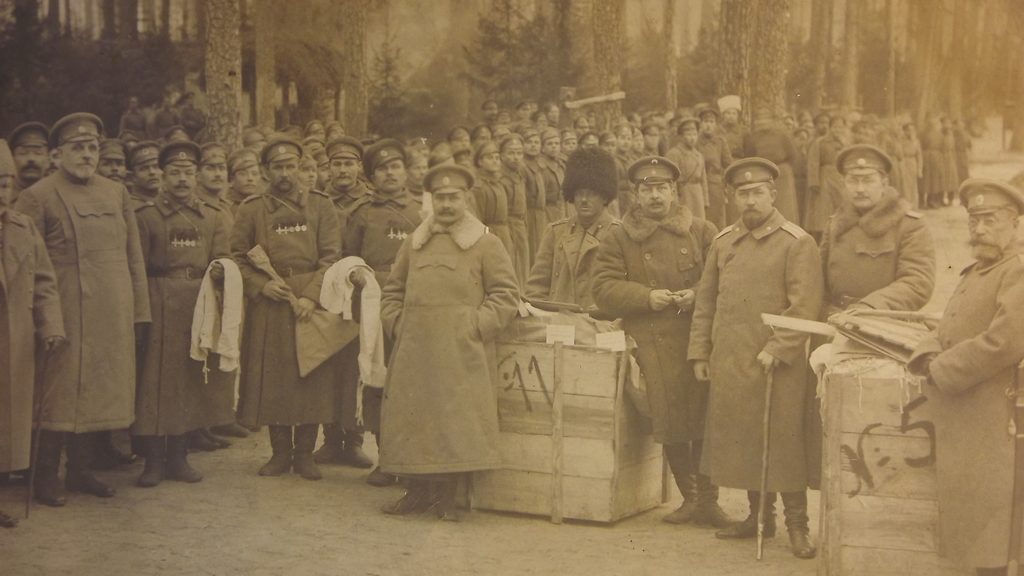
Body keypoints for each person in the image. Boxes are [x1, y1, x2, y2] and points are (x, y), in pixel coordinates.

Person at [688, 157, 823, 559]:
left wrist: (778, 348)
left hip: (776, 363)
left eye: (758, 192)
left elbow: (805, 306)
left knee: (783, 443)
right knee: (745, 439)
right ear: (733, 197)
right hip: (731, 360)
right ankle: (758, 517)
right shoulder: (723, 242)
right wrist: (700, 352)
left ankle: (798, 525)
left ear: (772, 195)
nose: (750, 200)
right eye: (743, 193)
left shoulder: (796, 242)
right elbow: (706, 303)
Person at [16, 113, 151, 506]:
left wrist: (139, 312)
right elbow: (25, 263)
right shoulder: (37, 196)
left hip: (112, 311)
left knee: (99, 391)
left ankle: (80, 470)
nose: (87, 154)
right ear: (58, 154)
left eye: (92, 147)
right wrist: (39, 320)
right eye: (78, 147)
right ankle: (45, 475)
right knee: (57, 396)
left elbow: (133, 257)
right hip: (64, 312)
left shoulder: (116, 192)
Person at [592, 155, 731, 528]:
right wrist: (644, 296)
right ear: (635, 194)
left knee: (704, 415)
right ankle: (692, 498)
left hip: (698, 336)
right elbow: (603, 287)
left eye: (661, 188)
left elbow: (723, 276)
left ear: (674, 191)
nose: (655, 196)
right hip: (651, 340)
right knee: (669, 418)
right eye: (646, 189)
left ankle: (709, 501)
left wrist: (696, 293)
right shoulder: (619, 236)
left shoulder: (701, 230)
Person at [378, 163, 520, 521]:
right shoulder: (415, 243)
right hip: (415, 351)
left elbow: (506, 295)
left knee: (455, 424)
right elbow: (392, 291)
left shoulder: (486, 243)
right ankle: (415, 493)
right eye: (439, 197)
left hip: (461, 353)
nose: (446, 204)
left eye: (453, 197)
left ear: (466, 198)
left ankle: (447, 498)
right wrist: (399, 325)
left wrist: (475, 326)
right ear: (431, 200)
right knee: (413, 421)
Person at [908, 179, 1024, 576]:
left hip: (993, 415)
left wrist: (942, 369)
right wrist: (927, 352)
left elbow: (1005, 342)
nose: (980, 230)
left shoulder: (1017, 271)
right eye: (974, 221)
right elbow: (948, 324)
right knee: (973, 524)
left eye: (990, 220)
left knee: (993, 530)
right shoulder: (978, 271)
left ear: (1014, 223)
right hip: (965, 414)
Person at [231, 137, 342, 481]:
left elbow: (331, 257)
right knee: (275, 377)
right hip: (271, 302)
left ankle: (305, 453)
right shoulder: (252, 209)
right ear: (266, 171)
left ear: (300, 167)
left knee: (311, 376)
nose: (284, 174)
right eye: (277, 167)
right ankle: (280, 453)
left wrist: (311, 295)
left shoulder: (321, 205)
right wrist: (260, 285)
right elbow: (237, 257)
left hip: (310, 301)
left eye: (290, 166)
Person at [132, 141, 235, 487]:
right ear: (162, 176)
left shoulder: (212, 216)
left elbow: (223, 257)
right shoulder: (146, 216)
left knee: (190, 381)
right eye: (175, 172)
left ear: (196, 176)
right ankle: (153, 461)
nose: (182, 179)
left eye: (188, 173)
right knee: (154, 384)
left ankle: (179, 457)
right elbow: (137, 268)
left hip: (197, 304)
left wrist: (220, 270)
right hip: (158, 303)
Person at [345, 138, 424, 487]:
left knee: (412, 381)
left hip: (416, 304)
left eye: (395, 166)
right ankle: (385, 458)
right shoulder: (362, 214)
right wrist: (357, 276)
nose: (389, 174)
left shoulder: (422, 212)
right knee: (378, 379)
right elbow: (347, 259)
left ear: (405, 171)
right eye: (381, 169)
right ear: (372, 177)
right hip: (375, 305)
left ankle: (412, 461)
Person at [0, 139, 66, 527]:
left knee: (7, 421)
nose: (2, 190)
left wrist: (51, 325)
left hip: (15, 340)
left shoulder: (22, 227)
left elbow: (44, 282)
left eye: (5, 182)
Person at [312, 136, 375, 470]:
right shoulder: (317, 202)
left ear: (359, 167)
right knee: (328, 366)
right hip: (327, 291)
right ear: (327, 168)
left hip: (362, 291)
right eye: (336, 164)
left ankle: (354, 441)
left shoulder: (371, 202)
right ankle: (330, 439)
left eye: (349, 163)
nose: (342, 170)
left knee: (356, 366)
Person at [821, 144, 935, 315]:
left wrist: (871, 306)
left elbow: (917, 283)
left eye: (868, 180)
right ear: (844, 184)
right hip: (834, 318)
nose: (860, 189)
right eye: (853, 180)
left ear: (884, 184)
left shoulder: (910, 225)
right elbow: (818, 279)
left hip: (882, 320)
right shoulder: (835, 223)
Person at [527, 147, 619, 309]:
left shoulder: (619, 233)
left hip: (600, 320)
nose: (584, 200)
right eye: (578, 194)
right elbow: (537, 287)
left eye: (591, 194)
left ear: (604, 197)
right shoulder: (556, 232)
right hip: (558, 319)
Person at [744, 108, 801, 225]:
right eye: (759, 119)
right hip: (762, 174)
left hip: (782, 174)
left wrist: (784, 169)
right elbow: (749, 156)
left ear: (771, 121)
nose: (762, 122)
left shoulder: (782, 135)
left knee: (785, 206)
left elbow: (793, 155)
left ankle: (786, 228)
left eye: (766, 119)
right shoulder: (753, 138)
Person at [804, 116, 850, 242]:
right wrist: (814, 182)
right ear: (830, 128)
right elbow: (813, 162)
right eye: (835, 126)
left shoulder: (845, 143)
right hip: (825, 178)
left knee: (841, 206)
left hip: (841, 178)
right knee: (824, 210)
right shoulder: (820, 142)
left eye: (840, 127)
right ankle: (823, 237)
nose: (838, 130)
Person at [497, 134, 532, 285]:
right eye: (511, 153)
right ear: (502, 155)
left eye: (519, 153)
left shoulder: (519, 173)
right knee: (511, 263)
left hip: (520, 224)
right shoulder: (500, 177)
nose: (516, 157)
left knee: (522, 264)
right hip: (507, 226)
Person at [695, 106, 734, 230]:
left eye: (711, 122)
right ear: (701, 124)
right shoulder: (695, 142)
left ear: (716, 125)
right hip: (700, 184)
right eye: (706, 121)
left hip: (716, 185)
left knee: (718, 219)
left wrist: (725, 184)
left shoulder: (720, 142)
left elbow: (728, 164)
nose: (708, 125)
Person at [472, 141, 514, 257]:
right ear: (480, 162)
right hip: (490, 234)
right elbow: (478, 221)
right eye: (490, 158)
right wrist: (486, 239)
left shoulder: (499, 183)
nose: (495, 161)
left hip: (504, 233)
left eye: (497, 158)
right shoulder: (479, 188)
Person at [665, 117, 709, 220]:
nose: (692, 138)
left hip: (698, 195)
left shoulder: (699, 155)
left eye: (695, 134)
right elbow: (672, 181)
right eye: (688, 135)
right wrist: (674, 201)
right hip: (684, 195)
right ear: (681, 136)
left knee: (699, 223)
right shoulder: (674, 154)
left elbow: (703, 180)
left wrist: (705, 200)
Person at [7, 122, 51, 204]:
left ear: (48, 161)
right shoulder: (3, 196)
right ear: (12, 159)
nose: (31, 159)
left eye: (38, 153)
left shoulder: (60, 196)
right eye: (23, 153)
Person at [224, 148, 262, 215]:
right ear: (232, 180)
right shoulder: (226, 209)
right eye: (243, 174)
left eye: (254, 174)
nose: (250, 178)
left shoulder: (263, 206)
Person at [128, 141, 164, 207]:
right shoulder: (130, 205)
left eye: (156, 166)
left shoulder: (173, 199)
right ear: (134, 176)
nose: (152, 172)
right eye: (144, 168)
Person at [900, 122, 924, 209]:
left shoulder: (916, 141)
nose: (910, 132)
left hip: (912, 162)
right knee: (904, 185)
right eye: (908, 130)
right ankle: (905, 205)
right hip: (903, 162)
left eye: (912, 130)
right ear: (905, 131)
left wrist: (919, 169)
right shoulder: (901, 140)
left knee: (913, 185)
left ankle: (913, 206)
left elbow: (919, 155)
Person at [717, 95, 747, 160]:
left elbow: (748, 152)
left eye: (734, 113)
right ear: (723, 115)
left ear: (737, 115)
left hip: (739, 162)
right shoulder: (717, 131)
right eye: (728, 113)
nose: (731, 116)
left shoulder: (743, 131)